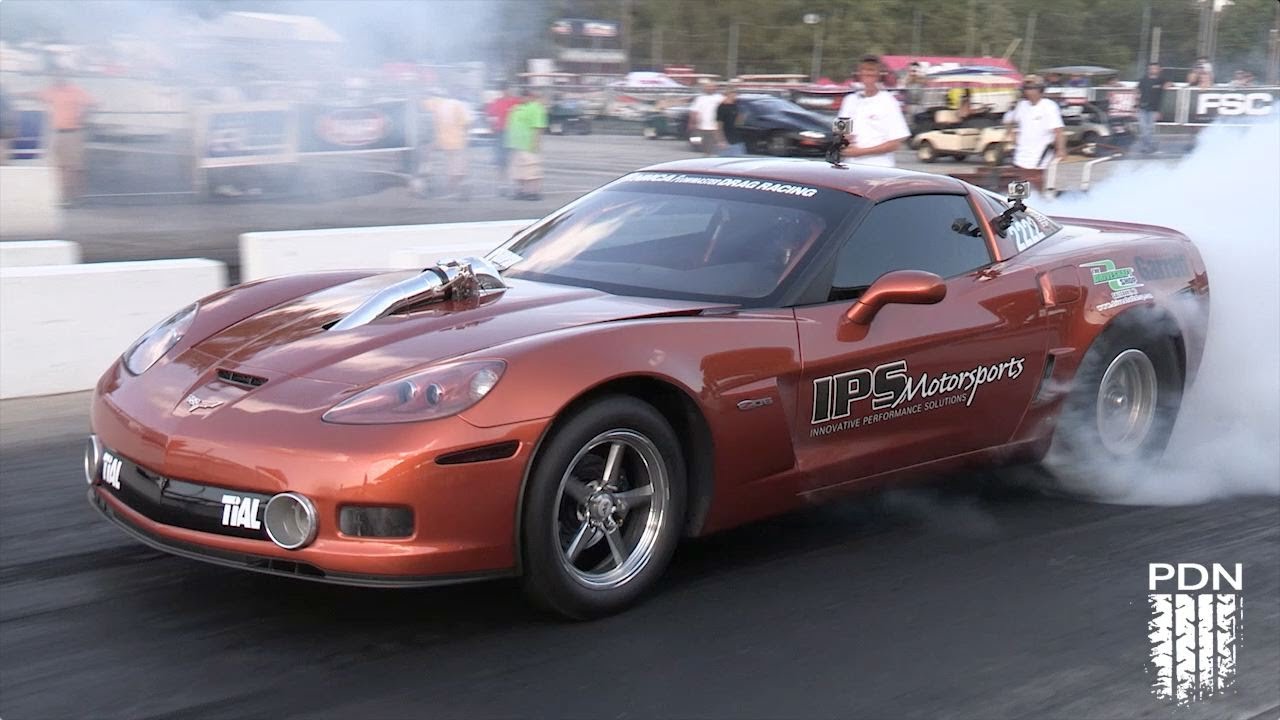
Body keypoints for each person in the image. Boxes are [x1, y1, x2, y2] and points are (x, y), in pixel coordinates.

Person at [32, 71, 95, 205]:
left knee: (72, 167)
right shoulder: (52, 91)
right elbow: (36, 95)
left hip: (72, 133)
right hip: (57, 133)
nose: (55, 78)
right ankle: (63, 196)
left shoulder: (75, 91)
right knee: (59, 166)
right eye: (54, 76)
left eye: (58, 76)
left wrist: (83, 117)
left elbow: (92, 103)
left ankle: (73, 197)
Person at [837, 55, 910, 167]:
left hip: (878, 168)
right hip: (850, 166)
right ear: (859, 73)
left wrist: (860, 152)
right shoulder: (849, 100)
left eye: (871, 70)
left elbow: (895, 143)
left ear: (879, 74)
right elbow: (839, 131)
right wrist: (844, 139)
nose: (868, 73)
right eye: (864, 69)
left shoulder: (889, 102)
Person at [1002, 75, 1066, 187]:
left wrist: (1060, 149)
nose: (1028, 92)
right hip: (1021, 157)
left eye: (1032, 88)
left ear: (1040, 89)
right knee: (1020, 190)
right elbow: (1008, 120)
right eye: (1026, 88)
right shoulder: (1021, 105)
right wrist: (1013, 135)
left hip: (1041, 158)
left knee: (1039, 186)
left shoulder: (1049, 106)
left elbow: (1058, 130)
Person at [429, 89, 473, 199]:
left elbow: (435, 125)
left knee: (450, 164)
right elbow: (467, 123)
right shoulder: (458, 105)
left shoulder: (439, 107)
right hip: (458, 140)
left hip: (445, 142)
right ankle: (460, 187)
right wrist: (467, 136)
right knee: (459, 165)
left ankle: (452, 187)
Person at [505, 88, 547, 201]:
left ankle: (533, 192)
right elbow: (510, 125)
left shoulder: (536, 108)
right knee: (517, 170)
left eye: (525, 96)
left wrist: (536, 143)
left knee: (532, 170)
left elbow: (538, 127)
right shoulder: (516, 108)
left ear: (530, 97)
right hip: (516, 144)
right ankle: (521, 191)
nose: (522, 98)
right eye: (521, 96)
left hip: (529, 145)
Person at [485, 86, 521, 194]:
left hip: (513, 133)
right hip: (500, 133)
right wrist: (492, 129)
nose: (507, 92)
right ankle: (502, 184)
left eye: (508, 90)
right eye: (505, 90)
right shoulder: (496, 103)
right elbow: (490, 116)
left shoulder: (516, 102)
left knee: (515, 159)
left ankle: (515, 183)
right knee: (501, 161)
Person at [1136, 62, 1170, 154]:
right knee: (1143, 128)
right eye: (1151, 68)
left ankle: (1149, 146)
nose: (1153, 70)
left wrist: (1168, 85)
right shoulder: (1143, 80)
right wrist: (1136, 106)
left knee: (1150, 129)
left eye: (1155, 68)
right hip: (1142, 108)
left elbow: (1170, 84)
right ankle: (1148, 146)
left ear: (1159, 69)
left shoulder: (1161, 80)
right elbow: (1137, 92)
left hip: (1154, 109)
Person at [688, 82, 723, 154]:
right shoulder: (700, 98)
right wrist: (692, 123)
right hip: (702, 127)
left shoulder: (720, 98)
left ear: (716, 88)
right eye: (708, 87)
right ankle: (707, 157)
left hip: (716, 127)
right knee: (702, 145)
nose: (710, 88)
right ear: (704, 88)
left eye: (712, 87)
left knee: (719, 145)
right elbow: (694, 111)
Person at [714, 86, 744, 156]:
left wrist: (742, 117)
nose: (736, 95)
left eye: (736, 93)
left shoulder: (735, 106)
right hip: (727, 141)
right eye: (734, 93)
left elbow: (737, 123)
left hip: (737, 140)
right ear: (728, 94)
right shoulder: (722, 107)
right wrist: (721, 141)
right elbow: (719, 125)